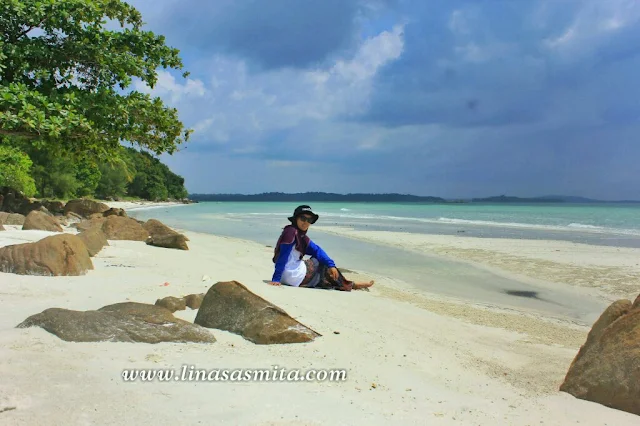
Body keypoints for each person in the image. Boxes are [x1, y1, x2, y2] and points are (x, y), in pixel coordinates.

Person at [269, 205, 374, 291]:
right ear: (296, 219)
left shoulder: (300, 236)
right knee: (319, 262)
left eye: (309, 220)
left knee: (320, 264)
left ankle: (345, 284)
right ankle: (350, 285)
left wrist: (331, 265)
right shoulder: (291, 232)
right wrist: (276, 278)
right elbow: (283, 255)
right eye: (303, 218)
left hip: (286, 277)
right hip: (291, 276)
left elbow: (317, 250)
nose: (306, 222)